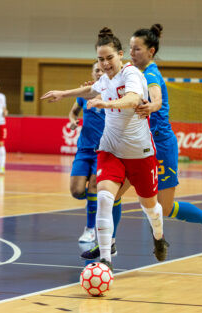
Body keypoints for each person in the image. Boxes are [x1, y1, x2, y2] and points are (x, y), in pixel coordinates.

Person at [81, 24, 202, 260]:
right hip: (133, 146)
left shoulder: (150, 74)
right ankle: (109, 244)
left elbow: (155, 97)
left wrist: (153, 105)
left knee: (164, 208)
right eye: (130, 48)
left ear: (151, 51)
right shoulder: (128, 74)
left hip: (159, 145)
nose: (132, 53)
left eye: (137, 49)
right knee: (111, 194)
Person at [41, 27, 168, 271]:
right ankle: (106, 260)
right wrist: (63, 93)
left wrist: (105, 103)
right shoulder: (105, 79)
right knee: (104, 198)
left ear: (121, 55)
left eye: (110, 57)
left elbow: (132, 100)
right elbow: (91, 89)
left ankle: (159, 237)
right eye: (101, 59)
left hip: (140, 153)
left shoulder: (131, 74)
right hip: (110, 149)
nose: (106, 63)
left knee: (150, 208)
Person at [69, 62, 122, 247]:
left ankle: (90, 229)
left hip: (103, 150)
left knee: (93, 187)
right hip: (84, 149)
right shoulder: (85, 93)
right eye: (96, 70)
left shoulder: (113, 93)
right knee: (76, 191)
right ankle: (94, 204)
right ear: (92, 74)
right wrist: (73, 121)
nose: (100, 72)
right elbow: (73, 112)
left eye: (102, 69)